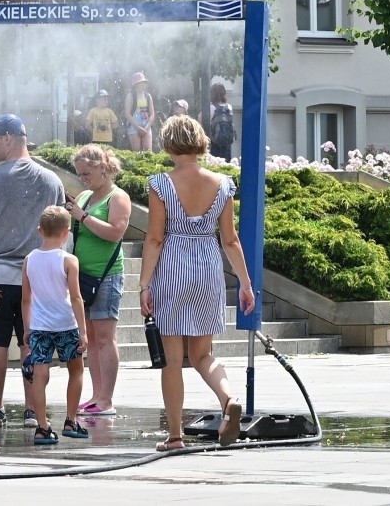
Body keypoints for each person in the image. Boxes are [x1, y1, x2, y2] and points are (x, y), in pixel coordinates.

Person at [138, 115, 256, 451]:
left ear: (168, 143)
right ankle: (228, 398)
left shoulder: (161, 183)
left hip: (173, 266)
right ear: (200, 141)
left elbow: (156, 238)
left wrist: (144, 284)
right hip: (207, 265)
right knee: (203, 354)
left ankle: (175, 437)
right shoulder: (222, 183)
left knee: (172, 360)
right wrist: (246, 284)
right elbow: (231, 240)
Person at [0, 113, 66, 430]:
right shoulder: (53, 181)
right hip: (38, 278)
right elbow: (62, 233)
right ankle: (32, 410)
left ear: (8, 138)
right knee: (30, 342)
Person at [66, 144, 132, 415]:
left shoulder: (118, 197)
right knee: (90, 338)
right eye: (80, 174)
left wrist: (82, 216)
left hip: (106, 274)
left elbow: (115, 232)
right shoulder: (84, 196)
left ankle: (107, 398)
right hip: (82, 276)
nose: (83, 178)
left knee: (105, 337)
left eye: (87, 172)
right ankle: (96, 396)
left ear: (103, 168)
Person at [21, 205, 89, 444]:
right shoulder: (69, 260)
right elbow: (77, 297)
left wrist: (27, 328)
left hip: (40, 326)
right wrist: (83, 330)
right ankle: (71, 420)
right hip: (66, 324)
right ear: (66, 232)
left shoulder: (29, 260)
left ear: (40, 231)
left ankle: (42, 427)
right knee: (76, 370)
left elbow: (26, 298)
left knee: (39, 376)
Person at [198, 83, 234, 162]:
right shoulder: (229, 107)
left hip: (213, 143)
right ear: (224, 93)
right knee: (226, 165)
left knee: (214, 164)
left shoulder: (209, 108)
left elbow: (200, 121)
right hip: (226, 144)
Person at [124, 71, 156, 152]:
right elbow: (127, 114)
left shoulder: (148, 96)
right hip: (134, 125)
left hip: (146, 125)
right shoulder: (130, 95)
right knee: (136, 151)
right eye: (140, 83)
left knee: (148, 151)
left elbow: (152, 114)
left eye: (143, 83)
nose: (142, 85)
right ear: (135, 85)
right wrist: (138, 128)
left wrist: (147, 127)